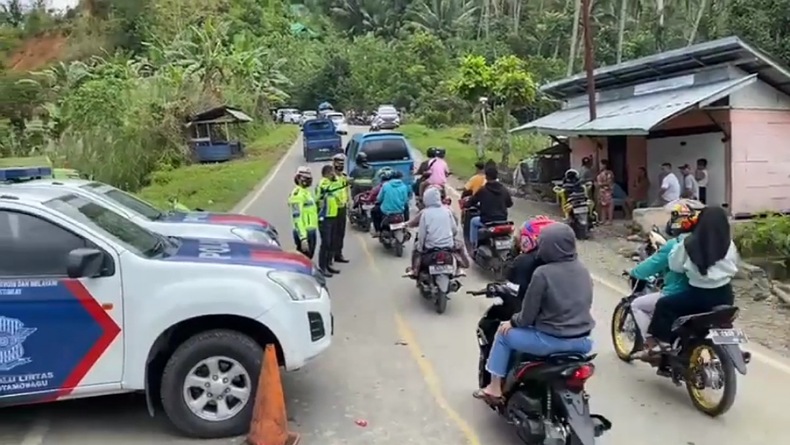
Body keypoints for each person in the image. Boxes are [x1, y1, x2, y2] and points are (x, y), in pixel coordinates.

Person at [473, 223, 594, 403]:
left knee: (502, 334)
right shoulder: (583, 270)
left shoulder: (542, 273)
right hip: (583, 342)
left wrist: (512, 323)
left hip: (551, 341)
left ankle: (494, 388)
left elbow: (526, 316)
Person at [645, 206, 739, 353]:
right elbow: (734, 263)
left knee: (664, 305)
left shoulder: (688, 243)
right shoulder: (729, 244)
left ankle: (663, 343)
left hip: (699, 296)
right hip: (725, 296)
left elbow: (675, 266)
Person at [628, 203, 695, 359]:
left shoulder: (675, 244)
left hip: (677, 293)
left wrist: (634, 272)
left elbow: (652, 265)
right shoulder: (704, 241)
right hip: (704, 292)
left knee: (637, 305)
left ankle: (652, 343)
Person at [406, 187, 463, 276]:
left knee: (416, 249)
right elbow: (454, 230)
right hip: (448, 247)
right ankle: (459, 269)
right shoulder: (447, 211)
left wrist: (420, 248)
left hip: (431, 247)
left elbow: (422, 234)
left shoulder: (425, 213)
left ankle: (415, 270)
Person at [467, 167, 513, 249]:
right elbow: (509, 204)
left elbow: (472, 201)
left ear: (486, 177)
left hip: (487, 220)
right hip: (502, 220)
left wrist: (468, 203)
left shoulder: (483, 190)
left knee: (473, 221)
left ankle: (473, 246)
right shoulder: (504, 190)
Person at [315, 165, 341, 276]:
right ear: (326, 173)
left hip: (332, 216)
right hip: (324, 217)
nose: (333, 174)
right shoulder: (323, 183)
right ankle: (322, 267)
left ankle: (328, 265)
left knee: (331, 243)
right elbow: (331, 189)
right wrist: (336, 180)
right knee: (325, 243)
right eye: (331, 173)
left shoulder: (331, 183)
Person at [288, 166, 319, 259]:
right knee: (303, 259)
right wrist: (303, 238)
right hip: (304, 232)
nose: (307, 181)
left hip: (311, 229)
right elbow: (297, 218)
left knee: (309, 257)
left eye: (309, 178)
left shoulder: (306, 192)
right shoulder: (297, 195)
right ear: (298, 178)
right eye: (305, 178)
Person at [330, 154, 350, 264]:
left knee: (340, 233)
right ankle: (330, 256)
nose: (340, 166)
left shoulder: (344, 177)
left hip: (342, 208)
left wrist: (349, 203)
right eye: (338, 163)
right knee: (332, 234)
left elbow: (346, 191)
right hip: (333, 209)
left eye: (342, 164)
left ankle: (338, 254)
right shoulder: (331, 179)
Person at [596, 159, 615, 225]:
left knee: (609, 205)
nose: (600, 166)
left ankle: (610, 220)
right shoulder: (601, 173)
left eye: (601, 164)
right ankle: (603, 219)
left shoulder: (608, 173)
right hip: (602, 191)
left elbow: (609, 182)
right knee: (603, 206)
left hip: (607, 191)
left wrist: (600, 184)